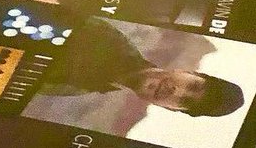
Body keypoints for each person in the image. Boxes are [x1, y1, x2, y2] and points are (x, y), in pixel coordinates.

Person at [35, 17, 244, 117]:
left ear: (170, 108)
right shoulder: (104, 39)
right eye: (193, 86)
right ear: (187, 72)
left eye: (184, 101)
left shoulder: (91, 88)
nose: (176, 91)